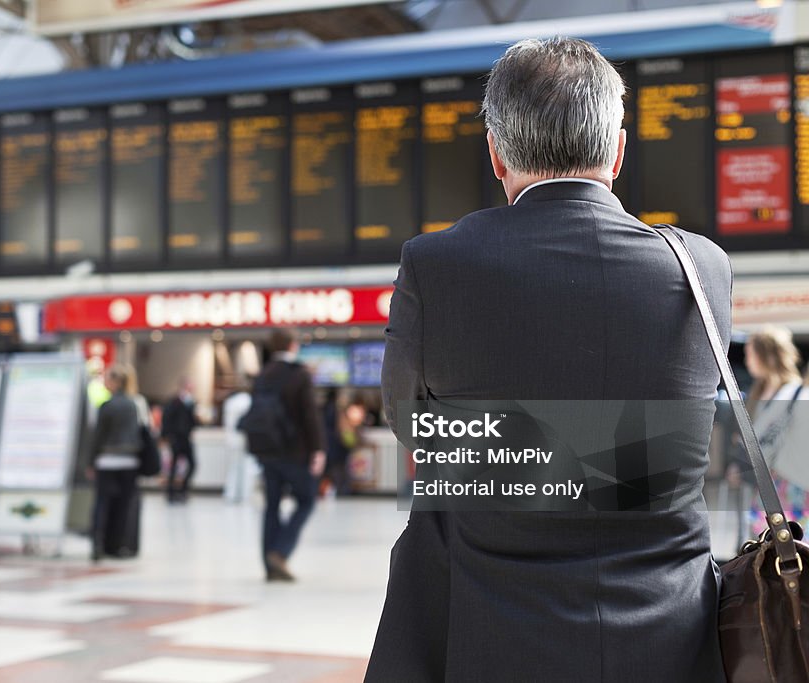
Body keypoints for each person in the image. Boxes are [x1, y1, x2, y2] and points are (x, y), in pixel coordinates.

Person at [366, 37, 731, 682]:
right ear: (618, 153)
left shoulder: (437, 262)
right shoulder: (701, 267)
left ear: (496, 153)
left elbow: (408, 424)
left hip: (490, 624)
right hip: (669, 631)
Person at [255, 329, 325, 582]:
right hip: (296, 452)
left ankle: (269, 563)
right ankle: (280, 552)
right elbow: (309, 416)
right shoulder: (299, 374)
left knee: (271, 505)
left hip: (267, 451)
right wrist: (318, 449)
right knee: (306, 501)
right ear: (293, 345)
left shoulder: (262, 374)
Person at [738, 327, 809, 535]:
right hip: (768, 476)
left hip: (788, 479)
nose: (747, 361)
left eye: (751, 354)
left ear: (765, 354)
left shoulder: (793, 391)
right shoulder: (758, 389)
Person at [87, 365, 149, 562]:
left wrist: (90, 461)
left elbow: (98, 437)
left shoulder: (107, 406)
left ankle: (98, 542)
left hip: (107, 461)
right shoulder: (133, 405)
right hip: (129, 462)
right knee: (123, 505)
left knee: (102, 503)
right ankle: (118, 544)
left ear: (115, 382)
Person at [222, 378, 258, 504]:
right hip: (244, 440)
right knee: (246, 468)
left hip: (231, 440)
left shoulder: (229, 402)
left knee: (232, 468)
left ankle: (231, 494)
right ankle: (244, 495)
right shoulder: (247, 400)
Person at [162, 379, 198, 503]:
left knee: (193, 465)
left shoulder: (191, 403)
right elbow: (166, 419)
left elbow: (192, 421)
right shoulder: (174, 402)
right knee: (173, 467)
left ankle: (183, 490)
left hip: (186, 439)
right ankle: (171, 492)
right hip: (176, 439)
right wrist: (167, 436)